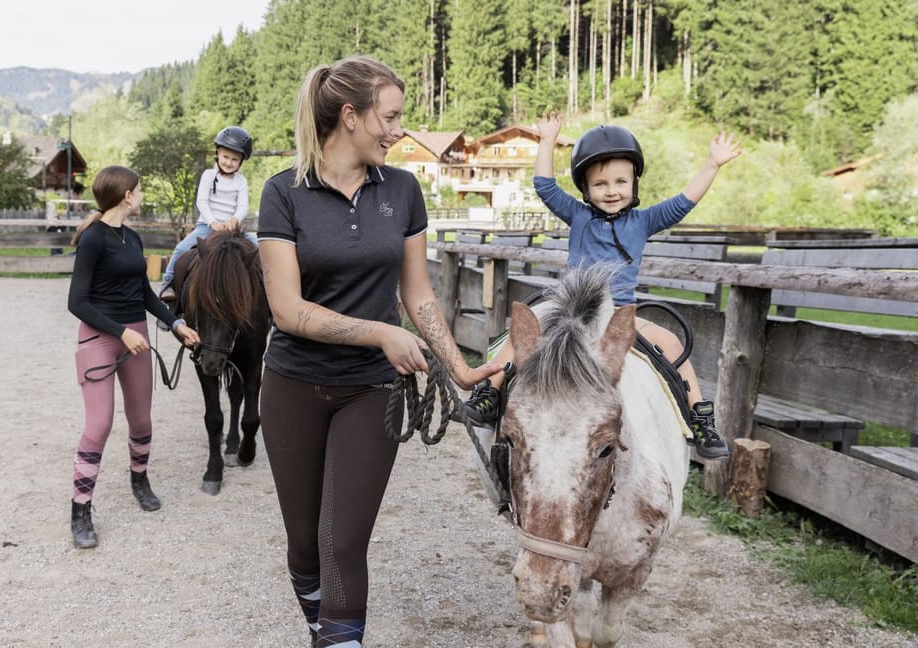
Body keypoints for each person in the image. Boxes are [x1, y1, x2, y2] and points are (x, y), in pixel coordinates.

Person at [256, 55, 501, 648]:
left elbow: (418, 294)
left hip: (371, 389)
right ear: (351, 116)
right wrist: (381, 333)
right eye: (390, 117)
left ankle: (339, 639)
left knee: (342, 541)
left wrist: (459, 368)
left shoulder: (403, 190)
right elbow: (287, 310)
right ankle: (323, 632)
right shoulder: (283, 193)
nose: (398, 129)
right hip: (292, 385)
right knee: (305, 545)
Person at [461, 112, 741, 459]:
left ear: (634, 182)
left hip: (617, 313)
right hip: (570, 308)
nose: (612, 191)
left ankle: (700, 420)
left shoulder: (644, 220)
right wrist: (547, 142)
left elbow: (684, 201)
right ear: (586, 189)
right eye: (601, 184)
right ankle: (488, 393)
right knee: (521, 334)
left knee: (670, 342)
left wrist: (711, 165)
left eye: (621, 182)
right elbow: (545, 187)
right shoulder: (578, 215)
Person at [67, 165, 200, 549]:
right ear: (127, 195)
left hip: (136, 335)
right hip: (101, 338)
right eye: (139, 190)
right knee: (99, 424)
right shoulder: (93, 238)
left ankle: (139, 480)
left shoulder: (132, 237)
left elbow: (144, 294)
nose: (141, 195)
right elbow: (76, 302)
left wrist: (175, 324)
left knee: (141, 419)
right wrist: (121, 331)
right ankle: (80, 510)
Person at [159, 125, 257, 297]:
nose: (229, 162)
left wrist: (234, 220)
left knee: (258, 246)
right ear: (218, 153)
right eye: (225, 157)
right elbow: (202, 201)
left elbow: (243, 206)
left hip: (231, 229)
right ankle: (168, 283)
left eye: (234, 159)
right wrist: (213, 222)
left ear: (241, 161)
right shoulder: (208, 175)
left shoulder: (241, 181)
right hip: (207, 226)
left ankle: (266, 286)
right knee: (181, 248)